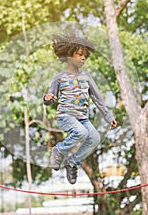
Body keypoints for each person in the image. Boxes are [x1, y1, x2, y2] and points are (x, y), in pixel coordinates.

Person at [43, 33, 117, 184]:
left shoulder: (87, 77)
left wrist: (108, 116)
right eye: (79, 55)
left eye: (85, 56)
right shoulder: (59, 77)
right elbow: (50, 96)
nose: (83, 58)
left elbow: (97, 98)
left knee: (94, 138)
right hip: (65, 116)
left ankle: (73, 162)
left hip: (82, 118)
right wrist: (48, 98)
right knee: (81, 133)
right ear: (69, 55)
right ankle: (58, 150)